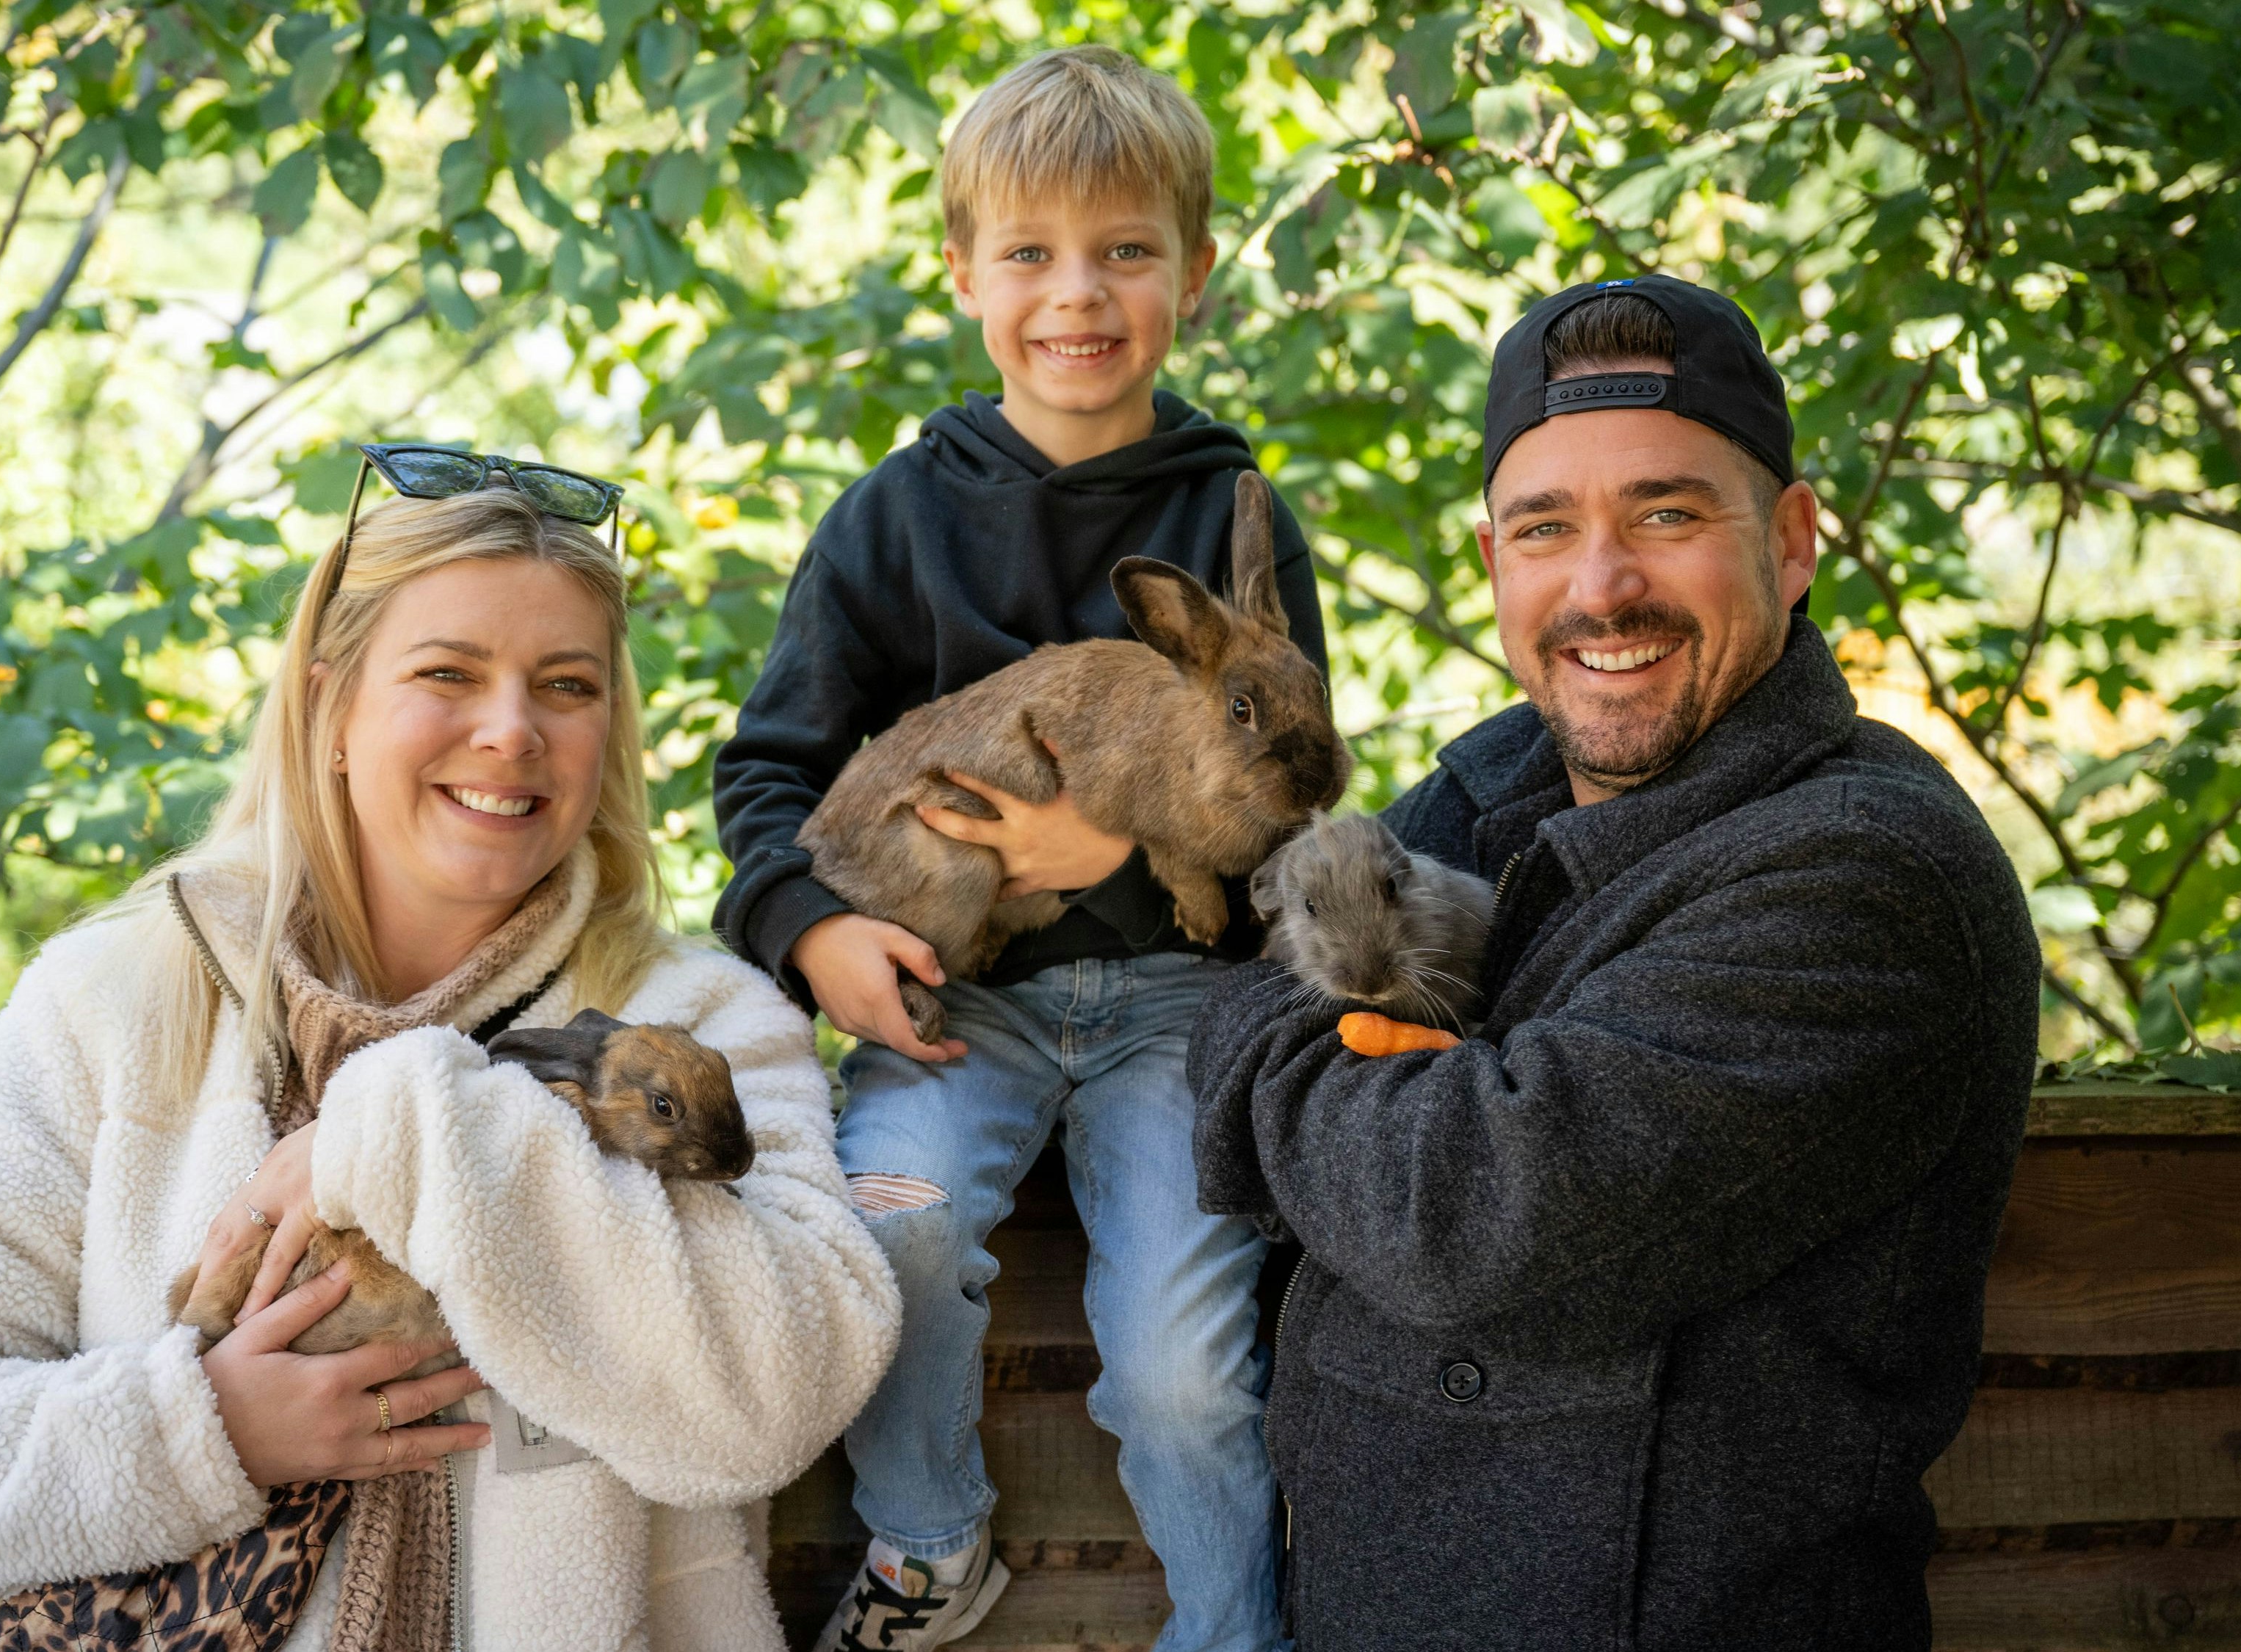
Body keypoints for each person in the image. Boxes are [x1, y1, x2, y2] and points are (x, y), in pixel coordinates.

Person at [0, 468, 902, 1652]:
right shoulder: (124, 998)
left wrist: (401, 1135)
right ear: (330, 709)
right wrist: (203, 1429)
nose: (513, 729)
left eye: (567, 685)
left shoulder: (701, 1020)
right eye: (448, 673)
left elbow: (778, 1397)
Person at [1190, 275, 2042, 1649]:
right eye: (1546, 528)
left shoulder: (1869, 873)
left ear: (1794, 539)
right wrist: (1319, 1055)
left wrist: (1286, 1070)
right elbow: (1251, 977)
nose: (1602, 587)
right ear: (1493, 565)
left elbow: (1460, 1211)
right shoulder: (1502, 779)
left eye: (1665, 512)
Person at [710, 46, 1324, 1652]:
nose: (1078, 295)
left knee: (1185, 1366)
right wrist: (814, 934)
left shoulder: (1232, 512)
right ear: (961, 273)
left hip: (1179, 1007)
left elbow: (1293, 807)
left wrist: (1107, 867)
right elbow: (766, 773)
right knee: (888, 1238)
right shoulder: (889, 522)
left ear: (1190, 271)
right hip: (945, 1002)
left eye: (1125, 251)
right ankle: (927, 1540)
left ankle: (1231, 1629)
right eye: (1031, 254)